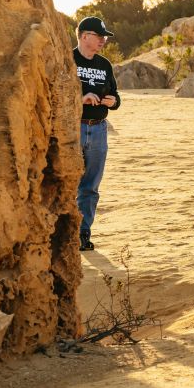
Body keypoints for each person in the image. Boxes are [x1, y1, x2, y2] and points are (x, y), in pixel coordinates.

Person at [73, 16, 121, 252]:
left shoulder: (104, 65)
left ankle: (83, 232)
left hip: (99, 129)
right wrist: (79, 99)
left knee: (90, 185)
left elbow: (116, 96)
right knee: (68, 182)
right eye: (99, 36)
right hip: (74, 128)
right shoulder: (68, 60)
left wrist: (113, 102)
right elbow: (54, 92)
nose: (103, 40)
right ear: (84, 36)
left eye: (104, 37)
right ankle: (65, 233)